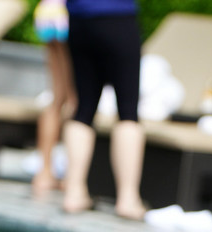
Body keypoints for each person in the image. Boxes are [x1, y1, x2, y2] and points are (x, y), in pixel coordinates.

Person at [63, 0, 145, 219]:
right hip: (118, 18)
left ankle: (74, 192)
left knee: (83, 109)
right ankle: (128, 199)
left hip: (79, 21)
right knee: (128, 111)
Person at [32, 0, 76, 195]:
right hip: (69, 14)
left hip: (48, 11)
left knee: (57, 98)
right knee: (76, 100)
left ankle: (44, 172)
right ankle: (72, 176)